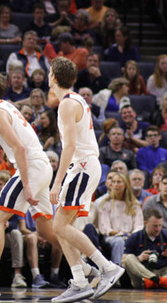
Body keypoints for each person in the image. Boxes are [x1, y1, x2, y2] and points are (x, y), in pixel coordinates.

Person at [0, 69, 66, 297]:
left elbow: (18, 147)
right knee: (46, 231)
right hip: (41, 166)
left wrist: (27, 185)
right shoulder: (7, 105)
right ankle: (88, 267)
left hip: (31, 167)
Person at [48, 57, 124, 302]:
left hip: (81, 166)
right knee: (62, 227)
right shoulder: (74, 100)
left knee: (59, 226)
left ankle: (107, 268)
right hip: (84, 166)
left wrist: (57, 181)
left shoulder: (67, 105)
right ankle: (80, 280)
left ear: (53, 77)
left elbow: (69, 146)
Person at [121, 208, 167, 288]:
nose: (158, 229)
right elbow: (124, 263)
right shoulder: (135, 237)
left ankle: (163, 281)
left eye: (160, 225)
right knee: (129, 258)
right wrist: (139, 259)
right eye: (155, 226)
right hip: (143, 274)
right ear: (145, 223)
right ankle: (154, 279)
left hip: (164, 272)